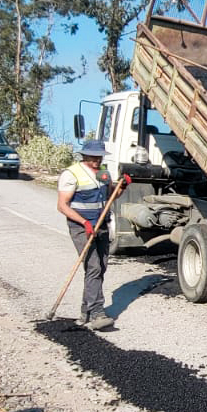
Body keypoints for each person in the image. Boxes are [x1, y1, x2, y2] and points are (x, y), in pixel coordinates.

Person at [56, 140, 128, 330]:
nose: (97, 160)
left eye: (100, 156)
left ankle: (86, 311)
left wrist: (122, 186)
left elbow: (111, 195)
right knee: (93, 266)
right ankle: (97, 313)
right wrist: (85, 223)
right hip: (81, 226)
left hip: (101, 225)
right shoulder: (71, 174)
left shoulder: (104, 173)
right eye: (93, 156)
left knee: (100, 267)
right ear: (84, 155)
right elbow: (62, 206)